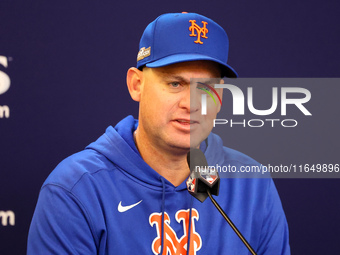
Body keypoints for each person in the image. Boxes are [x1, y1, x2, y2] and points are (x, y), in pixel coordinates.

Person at [27, 12, 290, 254]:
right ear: (136, 85)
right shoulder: (75, 189)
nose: (192, 103)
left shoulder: (253, 183)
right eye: (175, 83)